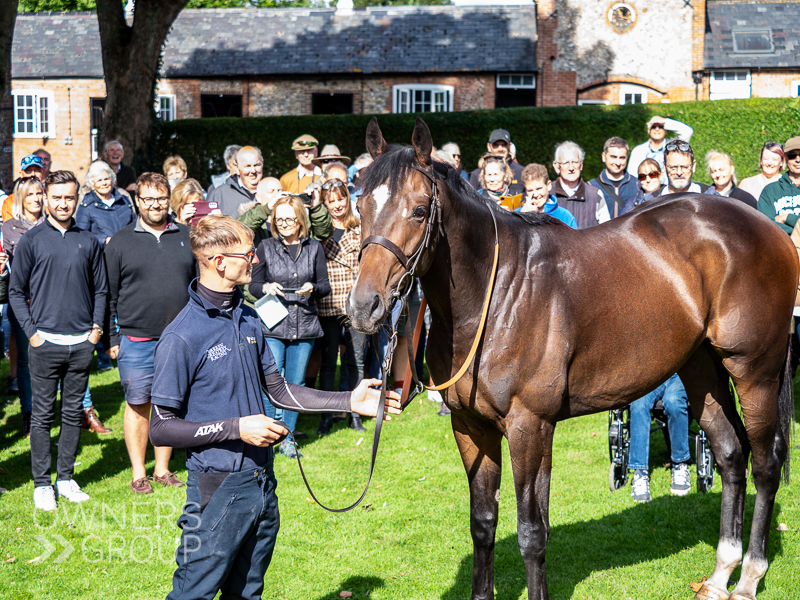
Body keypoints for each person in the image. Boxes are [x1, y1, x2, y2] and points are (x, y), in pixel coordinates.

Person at [148, 214, 400, 600]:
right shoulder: (181, 336)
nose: (255, 261)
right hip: (216, 490)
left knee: (248, 593)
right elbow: (161, 427)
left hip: (262, 484)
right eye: (248, 254)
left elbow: (280, 390)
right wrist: (236, 427)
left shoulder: (249, 316)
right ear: (219, 262)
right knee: (191, 595)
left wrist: (349, 399)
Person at [9, 170, 108, 511]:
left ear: (77, 198)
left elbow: (101, 289)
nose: (63, 203)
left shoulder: (89, 241)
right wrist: (33, 334)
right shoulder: (32, 240)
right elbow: (16, 291)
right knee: (41, 416)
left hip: (81, 342)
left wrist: (95, 332)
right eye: (57, 197)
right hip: (45, 342)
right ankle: (41, 484)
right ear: (46, 199)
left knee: (71, 413)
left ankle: (64, 478)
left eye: (69, 197)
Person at [104, 173, 196, 495]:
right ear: (137, 201)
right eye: (148, 199)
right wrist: (112, 340)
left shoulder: (187, 236)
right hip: (136, 337)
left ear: (168, 199)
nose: (155, 205)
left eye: (160, 198)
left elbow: (198, 288)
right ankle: (138, 472)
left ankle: (162, 469)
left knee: (167, 404)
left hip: (179, 338)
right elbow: (109, 295)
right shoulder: (120, 242)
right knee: (138, 403)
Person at [249, 196, 331, 458]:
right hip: (273, 324)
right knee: (272, 380)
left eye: (289, 219)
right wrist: (264, 287)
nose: (283, 224)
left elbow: (324, 285)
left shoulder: (314, 248)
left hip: (304, 324)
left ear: (300, 220)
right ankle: (269, 435)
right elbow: (252, 284)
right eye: (279, 219)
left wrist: (313, 288)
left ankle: (287, 437)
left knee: (295, 383)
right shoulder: (265, 247)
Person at [315, 177, 368, 435]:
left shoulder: (360, 227)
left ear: (348, 198)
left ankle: (354, 414)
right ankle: (326, 416)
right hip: (329, 303)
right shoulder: (320, 231)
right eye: (331, 200)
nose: (337, 204)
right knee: (328, 362)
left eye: (341, 198)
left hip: (356, 304)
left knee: (356, 362)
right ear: (324, 204)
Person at [2, 176, 46, 437]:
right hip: (23, 303)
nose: (36, 199)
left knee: (53, 359)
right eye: (30, 195)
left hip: (52, 303)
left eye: (39, 193)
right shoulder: (9, 228)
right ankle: (29, 415)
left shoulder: (52, 225)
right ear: (21, 199)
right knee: (27, 363)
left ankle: (52, 412)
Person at [628, 374, 692, 503]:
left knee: (674, 402)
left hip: (680, 373)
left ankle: (680, 464)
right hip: (652, 372)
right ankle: (639, 472)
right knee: (638, 405)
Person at [76, 160, 137, 246]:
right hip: (102, 255)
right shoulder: (86, 206)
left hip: (127, 251)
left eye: (106, 179)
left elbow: (134, 226)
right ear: (92, 185)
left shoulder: (124, 201)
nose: (104, 183)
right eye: (99, 180)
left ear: (112, 180)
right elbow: (81, 235)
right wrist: (103, 240)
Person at [552, 141, 610, 229]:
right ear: (557, 167)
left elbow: (607, 230)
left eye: (575, 162)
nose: (571, 168)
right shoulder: (546, 194)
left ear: (581, 165)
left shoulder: (595, 195)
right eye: (566, 163)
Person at [757, 136, 800, 235]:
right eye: (792, 155)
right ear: (785, 158)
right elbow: (766, 224)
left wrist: (786, 217)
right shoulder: (770, 191)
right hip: (780, 247)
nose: (797, 160)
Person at [589, 137, 640, 219]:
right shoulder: (591, 186)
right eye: (613, 157)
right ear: (603, 157)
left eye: (622, 158)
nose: (618, 162)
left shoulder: (638, 185)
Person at [645, 140, 715, 199]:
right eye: (673, 167)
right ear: (665, 167)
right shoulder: (650, 201)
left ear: (693, 166)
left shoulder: (711, 197)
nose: (679, 172)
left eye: (685, 167)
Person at [627, 115, 694, 176]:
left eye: (661, 126)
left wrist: (665, 121)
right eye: (653, 127)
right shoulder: (638, 150)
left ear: (666, 131)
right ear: (648, 130)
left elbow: (688, 132)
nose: (657, 129)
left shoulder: (673, 146)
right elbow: (631, 174)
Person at [209, 146, 263, 217]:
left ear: (262, 163)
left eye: (257, 165)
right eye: (248, 166)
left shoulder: (274, 190)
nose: (253, 171)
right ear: (237, 169)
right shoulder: (219, 194)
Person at [518, 164, 577, 228]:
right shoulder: (517, 216)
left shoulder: (565, 217)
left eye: (539, 188)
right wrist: (522, 217)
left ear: (548, 185)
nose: (535, 194)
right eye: (530, 190)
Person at [2, 154, 46, 223]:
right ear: (21, 174)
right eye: (28, 170)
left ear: (43, 173)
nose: (33, 174)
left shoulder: (50, 197)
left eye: (37, 170)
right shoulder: (11, 201)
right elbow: (10, 228)